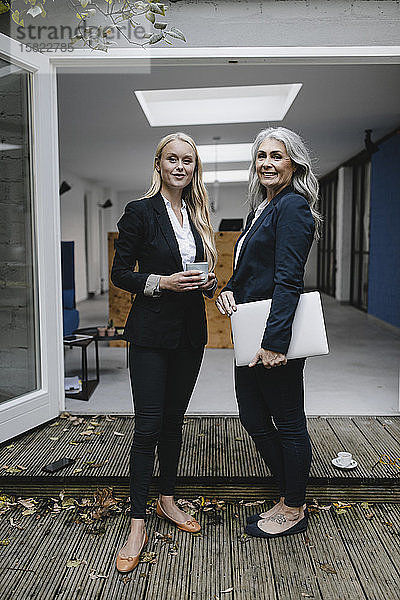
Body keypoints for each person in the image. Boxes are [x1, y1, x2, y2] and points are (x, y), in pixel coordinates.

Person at [111, 132, 217, 572]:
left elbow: (202, 272)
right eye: (172, 159)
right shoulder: (140, 211)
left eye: (187, 161)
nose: (180, 167)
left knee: (174, 424)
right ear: (158, 164)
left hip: (190, 334)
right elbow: (120, 273)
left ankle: (167, 502)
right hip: (151, 333)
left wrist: (208, 283)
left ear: (194, 168)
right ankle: (137, 521)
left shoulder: (197, 212)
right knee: (148, 426)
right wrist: (160, 283)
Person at [216, 127, 321, 539]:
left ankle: (294, 504)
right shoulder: (260, 210)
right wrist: (227, 291)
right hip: (249, 332)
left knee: (288, 421)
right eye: (261, 156)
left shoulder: (292, 206)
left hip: (273, 336)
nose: (267, 163)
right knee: (254, 417)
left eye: (277, 156)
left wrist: (275, 344)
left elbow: (288, 280)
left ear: (293, 162)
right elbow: (248, 274)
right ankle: (289, 491)